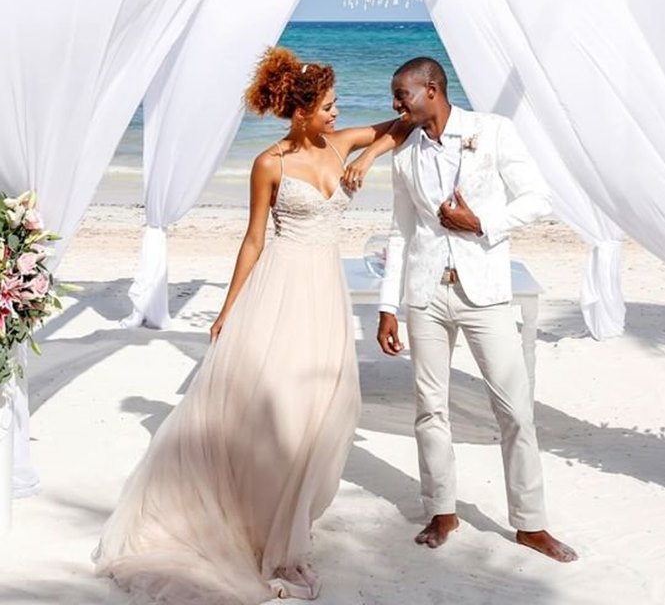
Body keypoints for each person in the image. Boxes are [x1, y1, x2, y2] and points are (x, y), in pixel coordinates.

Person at [94, 47, 406, 603]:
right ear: (302, 111)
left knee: (327, 407)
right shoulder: (271, 164)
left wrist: (371, 156)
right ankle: (269, 536)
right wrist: (228, 308)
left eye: (338, 106)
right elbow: (254, 240)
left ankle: (290, 524)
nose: (338, 113)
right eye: (330, 106)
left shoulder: (343, 144)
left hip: (324, 293)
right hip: (280, 291)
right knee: (281, 410)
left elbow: (404, 124)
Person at [345, 56, 578, 563]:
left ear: (431, 89)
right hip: (425, 296)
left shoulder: (492, 132)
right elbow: (400, 234)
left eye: (401, 95)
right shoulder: (404, 156)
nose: (394, 106)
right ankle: (442, 510)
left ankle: (531, 524)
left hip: (485, 295)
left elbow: (540, 198)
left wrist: (483, 222)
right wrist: (388, 307)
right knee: (430, 409)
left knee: (515, 409)